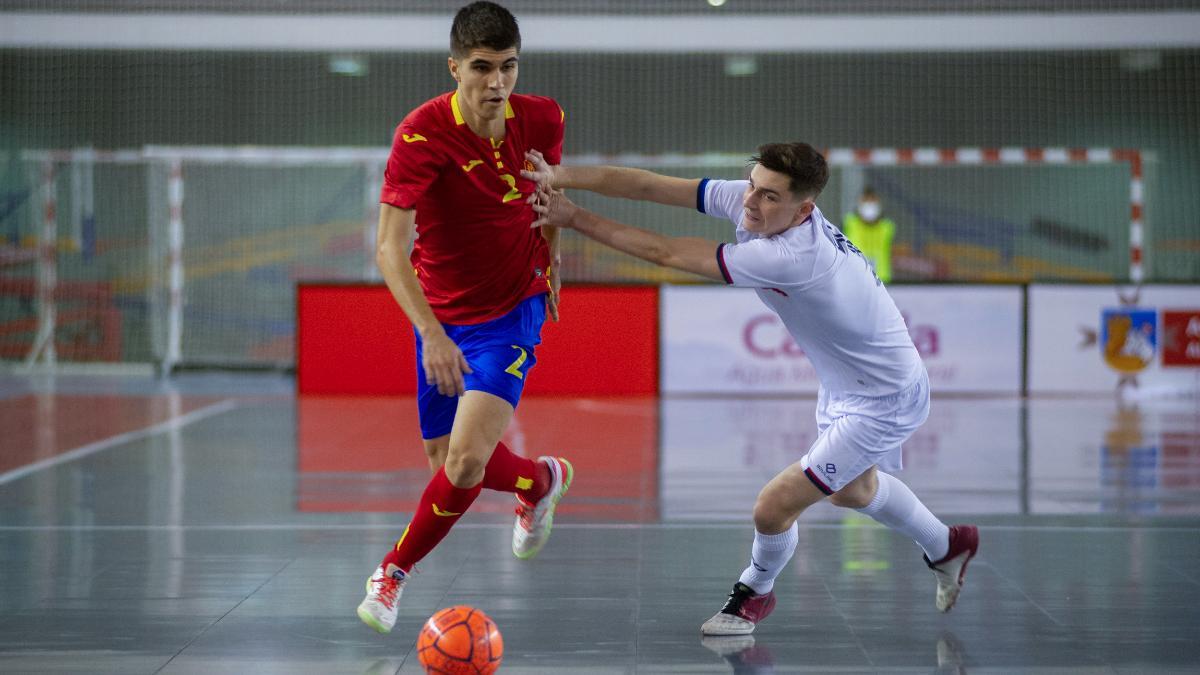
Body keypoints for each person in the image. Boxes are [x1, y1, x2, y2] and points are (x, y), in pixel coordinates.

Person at [523, 142, 978, 635]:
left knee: (773, 506)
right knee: (853, 492)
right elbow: (650, 185)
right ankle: (948, 545)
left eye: (769, 197)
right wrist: (563, 174)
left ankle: (752, 595)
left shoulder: (791, 257)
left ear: (804, 209)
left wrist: (573, 217)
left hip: (884, 397)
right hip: (849, 383)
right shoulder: (758, 201)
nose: (751, 203)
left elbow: (667, 252)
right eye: (753, 186)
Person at [357, 1, 573, 635]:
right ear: (454, 68)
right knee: (444, 459)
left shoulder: (544, 118)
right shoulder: (421, 134)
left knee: (463, 466)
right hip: (441, 311)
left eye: (507, 67)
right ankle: (539, 480)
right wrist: (429, 332)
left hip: (511, 308)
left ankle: (390, 573)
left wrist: (552, 265)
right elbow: (388, 248)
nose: (496, 83)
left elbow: (548, 196)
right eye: (481, 68)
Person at [841, 187, 895, 284]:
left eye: (872, 201)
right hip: (855, 279)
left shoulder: (887, 227)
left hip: (883, 281)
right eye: (866, 201)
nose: (869, 205)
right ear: (859, 203)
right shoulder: (848, 223)